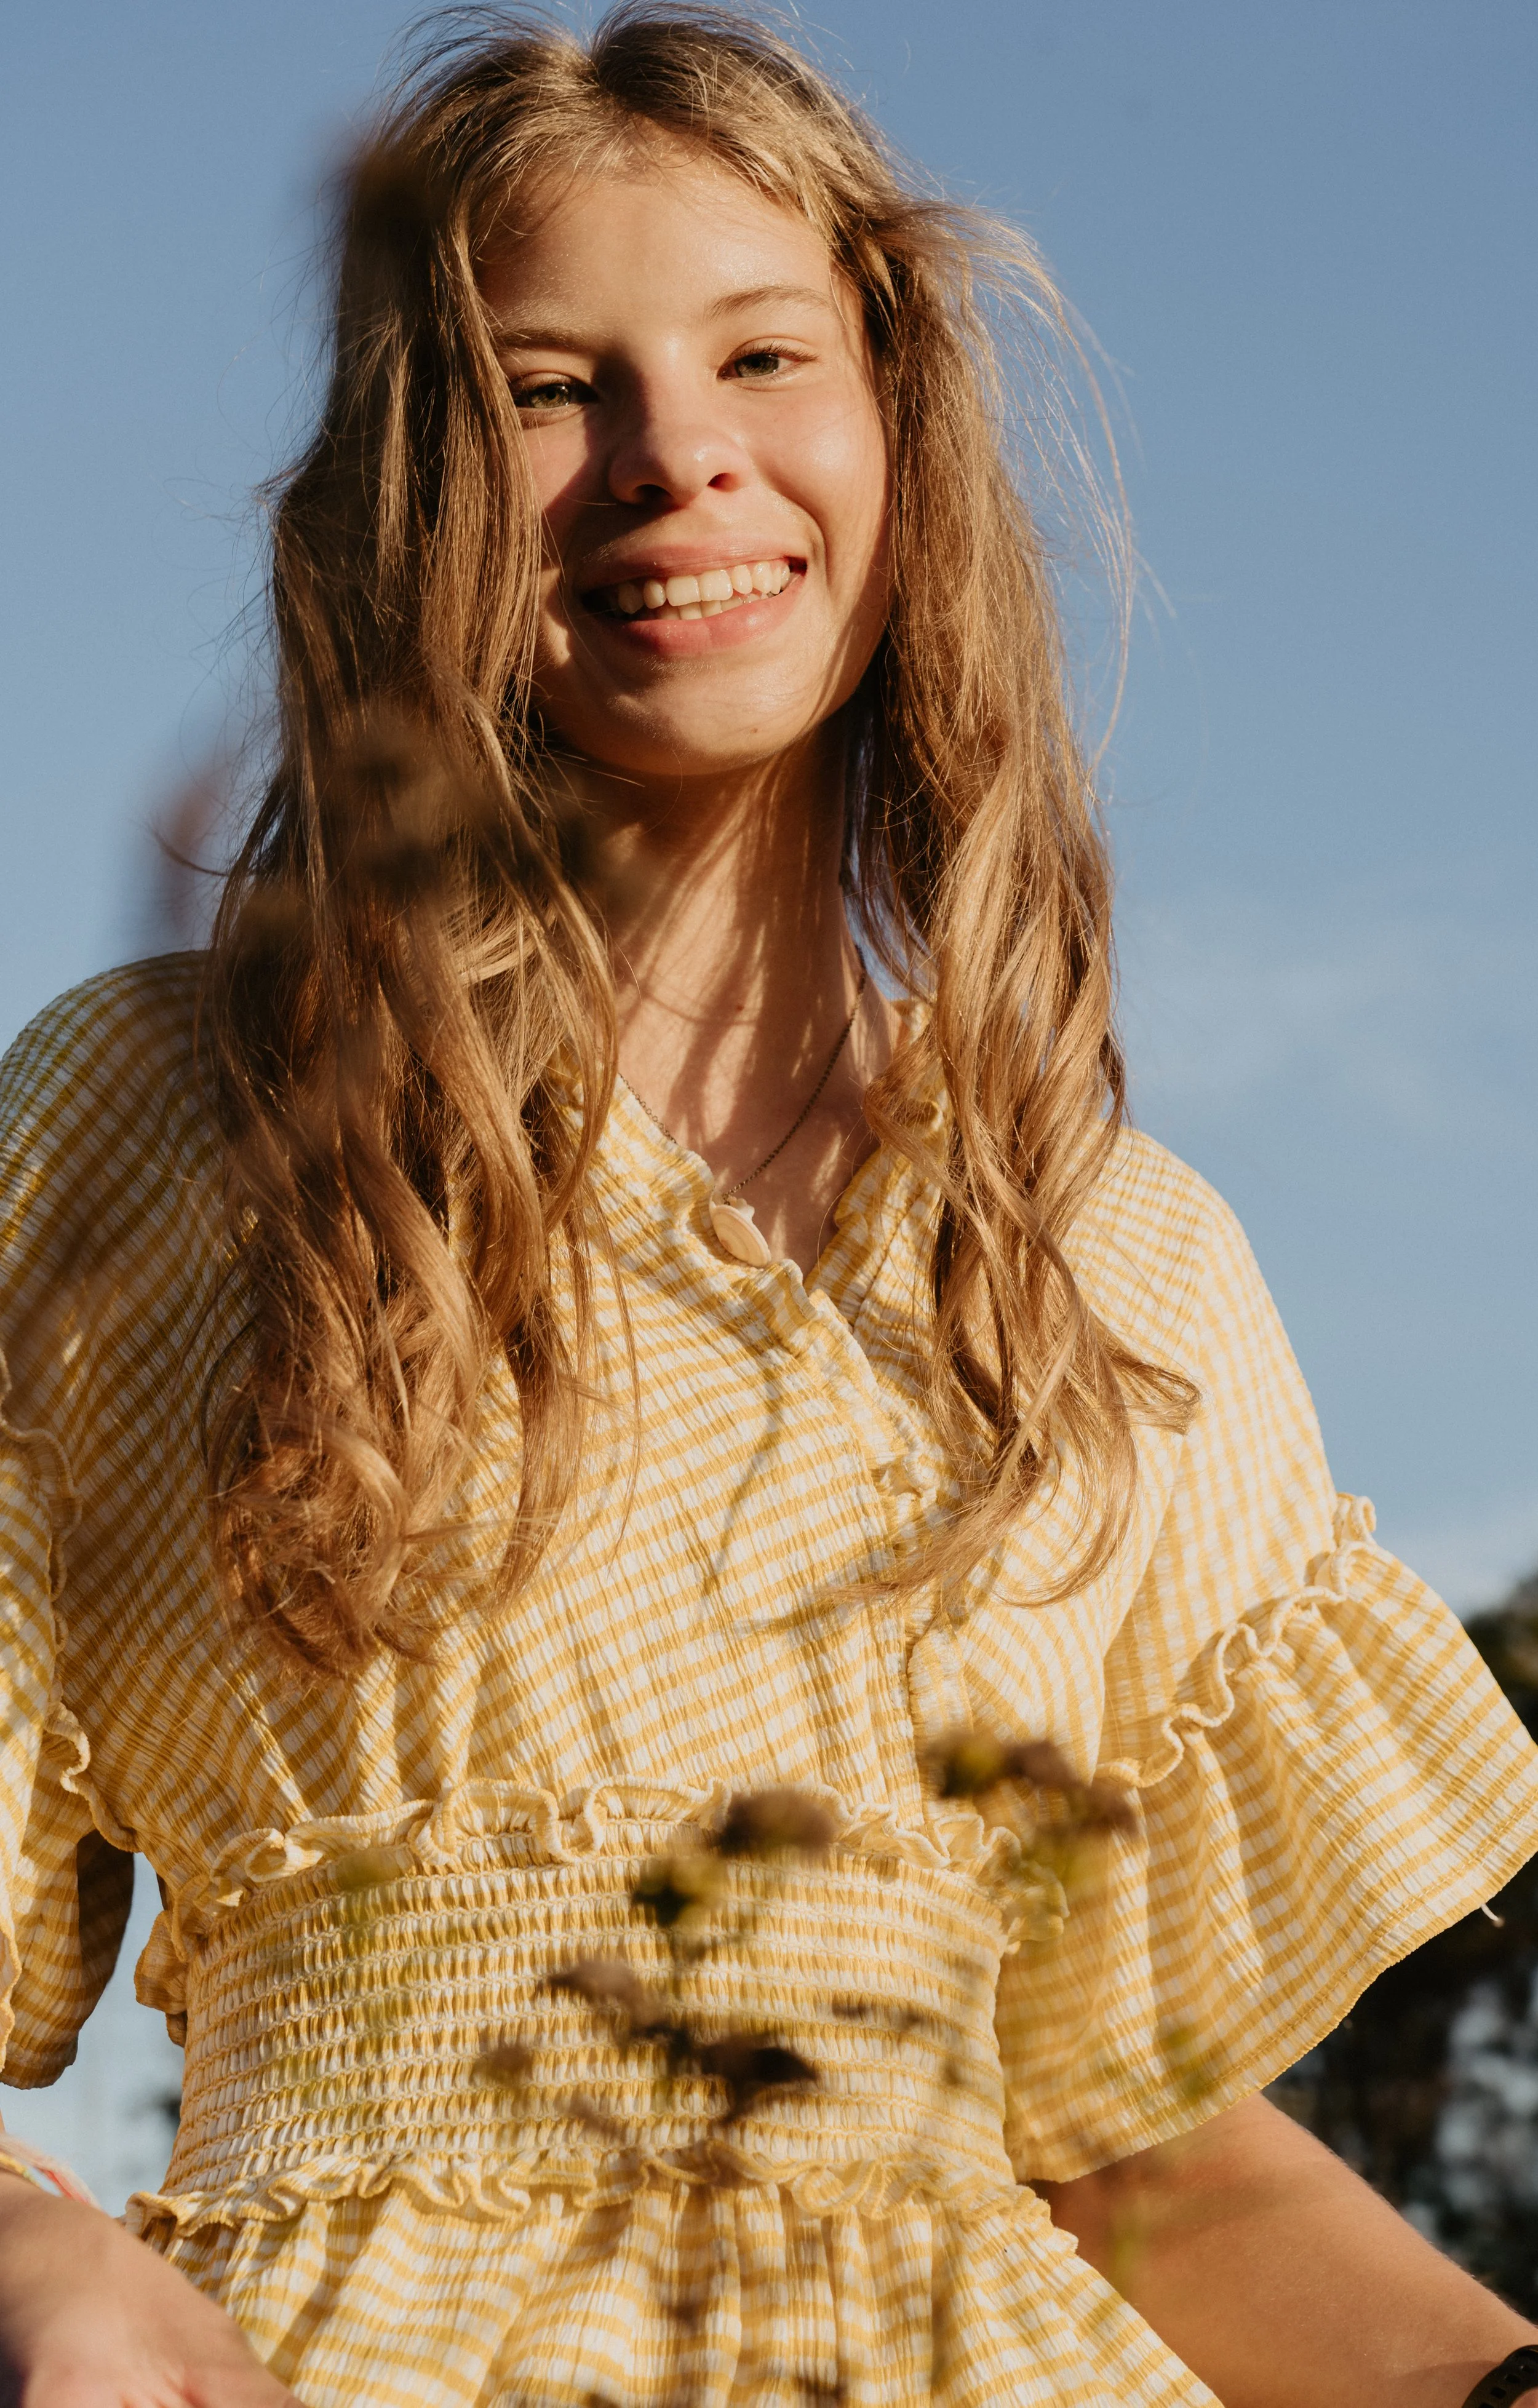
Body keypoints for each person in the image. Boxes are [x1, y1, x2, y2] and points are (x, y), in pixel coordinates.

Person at [1, 11, 1536, 2405]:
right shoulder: (152, 1122)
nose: (676, 455)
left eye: (761, 352)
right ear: (407, 493)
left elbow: (1135, 2158)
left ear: (894, 432)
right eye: (545, 387)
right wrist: (42, 2266)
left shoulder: (1116, 1257)